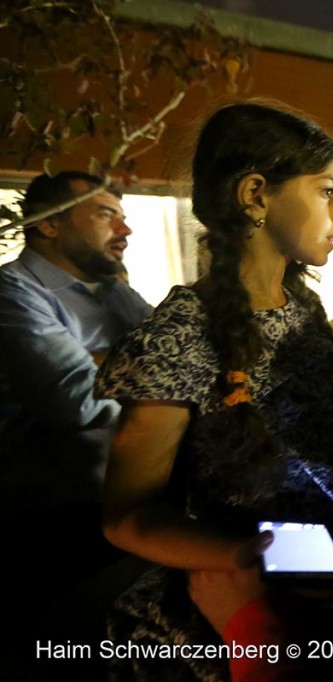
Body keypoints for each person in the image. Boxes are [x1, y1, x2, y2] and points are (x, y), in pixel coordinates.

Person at [95, 101, 333, 680]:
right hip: (258, 622)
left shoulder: (303, 307)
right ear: (255, 194)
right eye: (328, 190)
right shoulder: (179, 337)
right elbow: (128, 516)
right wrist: (240, 558)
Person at [0, 171, 152, 669]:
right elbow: (77, 401)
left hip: (134, 505)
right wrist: (149, 367)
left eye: (124, 216)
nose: (125, 229)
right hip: (54, 521)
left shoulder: (112, 294)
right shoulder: (12, 293)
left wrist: (99, 356)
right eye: (106, 214)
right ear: (49, 226)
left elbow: (186, 362)